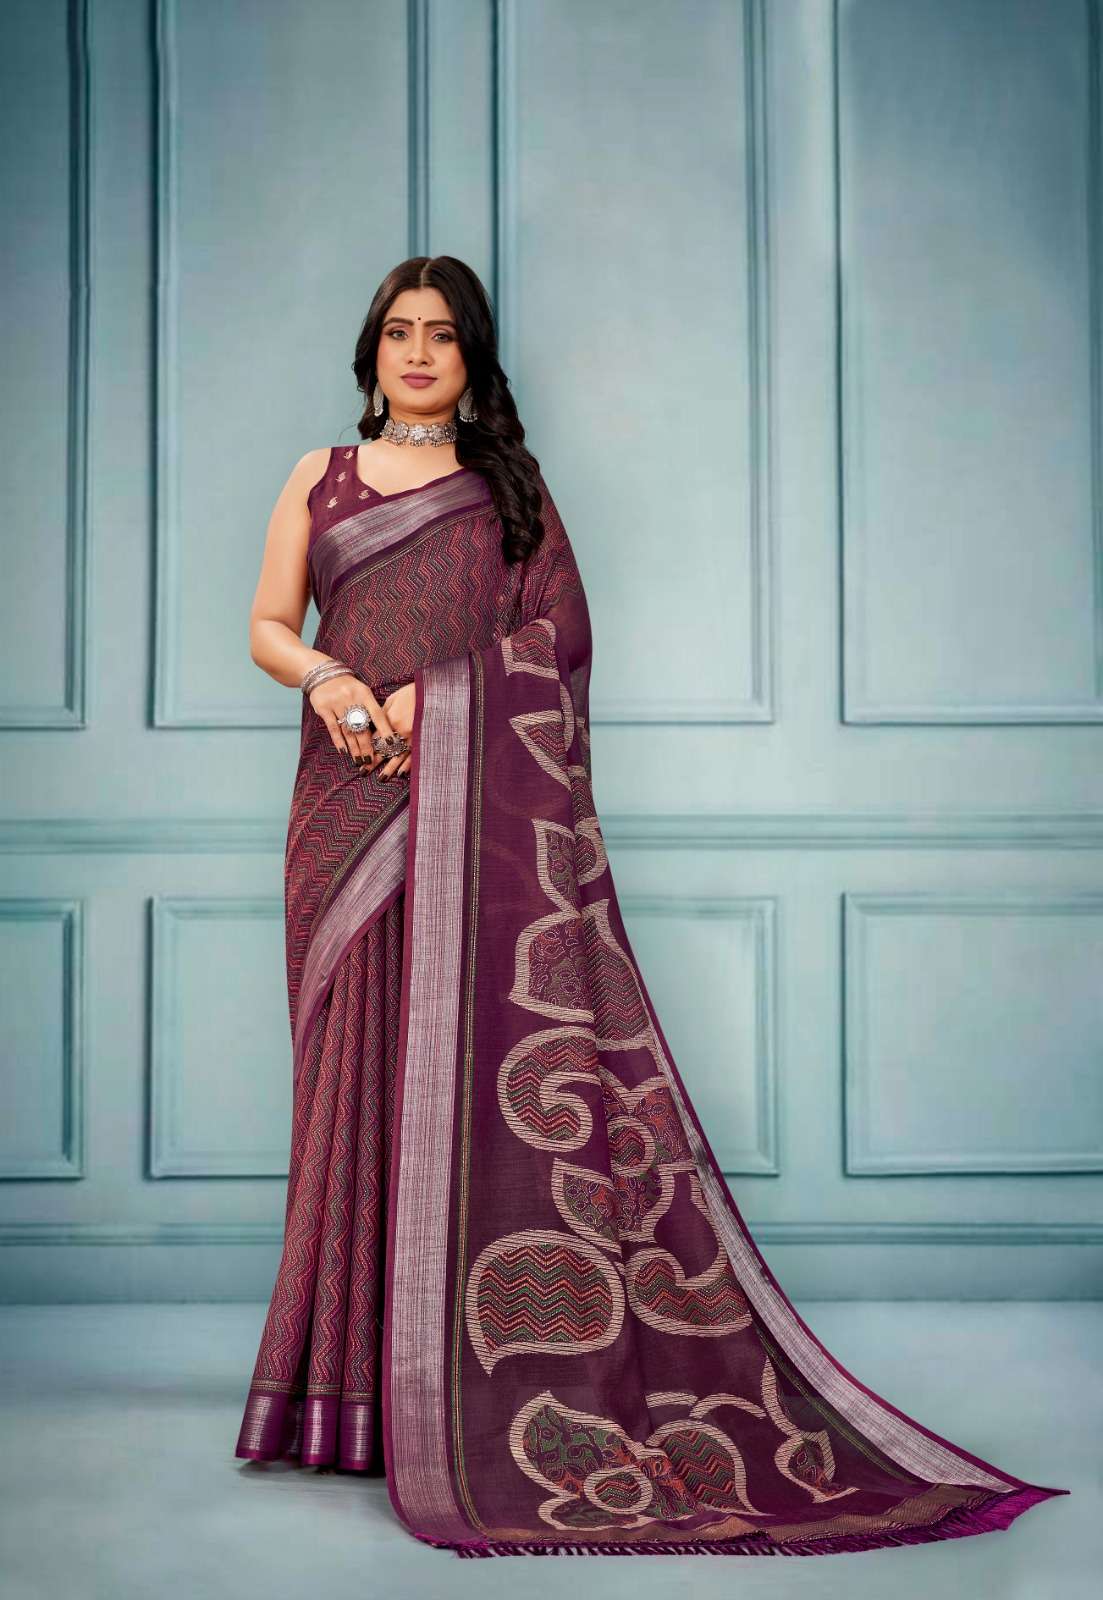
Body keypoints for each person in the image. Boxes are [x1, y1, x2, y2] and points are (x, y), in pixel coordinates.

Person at [234, 255, 1067, 1558]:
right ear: (371, 351)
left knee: (446, 1082)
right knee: (350, 1086)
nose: (417, 353)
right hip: (342, 812)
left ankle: (440, 1401)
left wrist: (430, 703)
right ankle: (341, 1398)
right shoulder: (318, 476)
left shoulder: (509, 492)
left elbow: (556, 646)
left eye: (442, 334)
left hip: (456, 813)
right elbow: (268, 624)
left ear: (473, 358)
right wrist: (335, 682)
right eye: (398, 332)